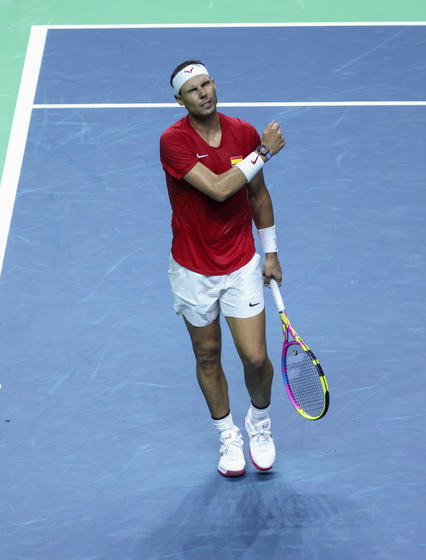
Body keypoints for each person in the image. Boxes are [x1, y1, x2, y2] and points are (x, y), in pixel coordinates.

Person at [159, 60, 286, 477]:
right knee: (208, 355)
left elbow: (257, 194)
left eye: (207, 83)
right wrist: (263, 152)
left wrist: (270, 252)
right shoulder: (173, 141)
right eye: (193, 90)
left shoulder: (243, 133)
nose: (204, 93)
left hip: (239, 264)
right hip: (192, 269)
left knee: (255, 358)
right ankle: (228, 435)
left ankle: (260, 423)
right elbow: (217, 190)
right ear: (180, 100)